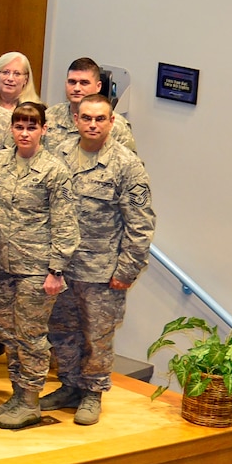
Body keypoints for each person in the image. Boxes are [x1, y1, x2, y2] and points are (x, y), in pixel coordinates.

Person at [43, 95, 155, 426]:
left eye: (100, 119)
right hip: (62, 266)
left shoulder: (127, 165)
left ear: (111, 123)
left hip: (102, 271)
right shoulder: (59, 154)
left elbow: (141, 224)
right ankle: (69, 386)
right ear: (76, 119)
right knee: (62, 330)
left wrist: (128, 270)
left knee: (97, 335)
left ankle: (92, 392)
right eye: (87, 118)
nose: (93, 124)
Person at [0, 102, 78, 431]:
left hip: (36, 268)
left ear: (43, 130)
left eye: (31, 127)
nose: (24, 133)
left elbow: (66, 224)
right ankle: (17, 393)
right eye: (19, 126)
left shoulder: (54, 170)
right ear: (11, 128)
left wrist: (56, 270)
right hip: (1, 263)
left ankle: (30, 401)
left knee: (31, 336)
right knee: (9, 334)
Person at [47, 57, 138, 155]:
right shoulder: (49, 117)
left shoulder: (117, 125)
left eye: (84, 83)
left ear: (98, 86)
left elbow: (131, 166)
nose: (77, 88)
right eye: (72, 82)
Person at [0, 52, 41, 124]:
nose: (10, 78)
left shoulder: (36, 111)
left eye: (17, 74)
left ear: (26, 79)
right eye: (5, 72)